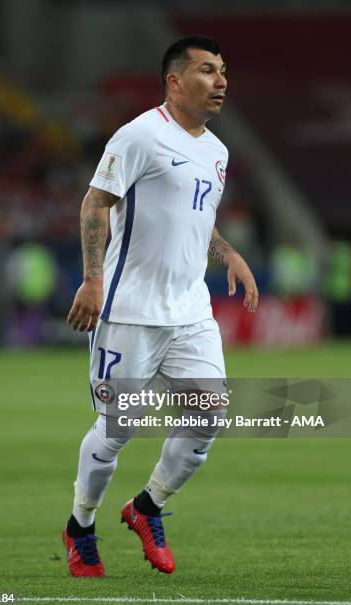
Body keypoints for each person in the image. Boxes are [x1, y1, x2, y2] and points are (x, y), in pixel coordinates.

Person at [63, 35, 258, 577]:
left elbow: (196, 218)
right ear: (174, 81)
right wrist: (92, 279)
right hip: (130, 311)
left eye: (222, 70)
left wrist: (228, 254)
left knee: (208, 417)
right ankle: (80, 525)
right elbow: (96, 202)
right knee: (119, 427)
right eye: (205, 71)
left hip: (191, 312)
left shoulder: (216, 151)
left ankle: (146, 507)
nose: (219, 81)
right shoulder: (140, 136)